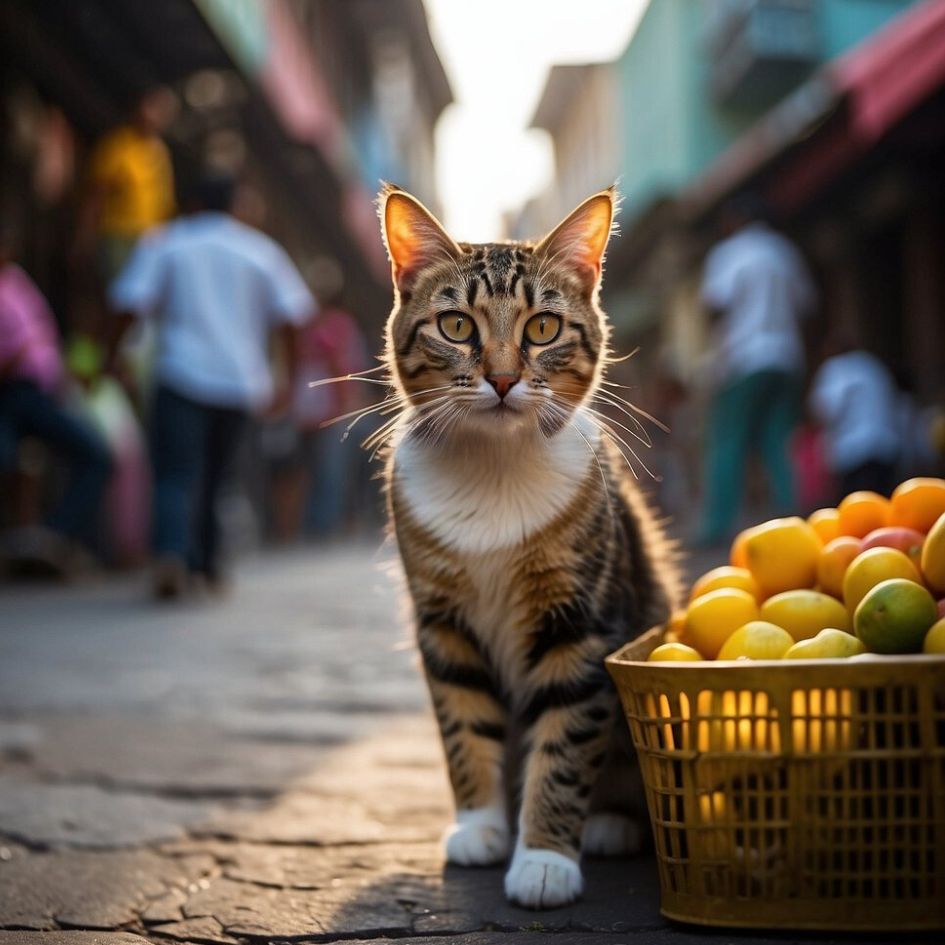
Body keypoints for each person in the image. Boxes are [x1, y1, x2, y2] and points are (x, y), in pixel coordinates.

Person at [107, 175, 314, 598]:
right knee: (219, 476)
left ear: (193, 202)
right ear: (234, 205)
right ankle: (207, 565)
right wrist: (287, 382)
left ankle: (171, 554)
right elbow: (293, 318)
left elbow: (130, 303)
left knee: (176, 474)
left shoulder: (167, 242)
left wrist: (113, 357)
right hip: (239, 384)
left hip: (181, 374)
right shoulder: (260, 251)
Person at [697, 194, 817, 544]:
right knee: (779, 441)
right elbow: (807, 308)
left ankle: (718, 525)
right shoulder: (784, 252)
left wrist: (715, 349)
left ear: (735, 219)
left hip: (744, 359)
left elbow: (715, 307)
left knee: (727, 442)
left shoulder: (729, 253)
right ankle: (796, 515)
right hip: (785, 357)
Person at [0, 229, 112, 571]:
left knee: (96, 456)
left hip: (40, 393)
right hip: (9, 393)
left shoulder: (15, 280)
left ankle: (47, 539)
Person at [78, 87, 178, 284]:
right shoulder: (118, 146)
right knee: (120, 295)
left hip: (151, 240)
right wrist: (85, 236)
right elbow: (96, 195)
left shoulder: (160, 153)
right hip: (119, 235)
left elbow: (164, 200)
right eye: (152, 107)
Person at [809, 336, 901, 497]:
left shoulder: (835, 368)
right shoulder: (873, 366)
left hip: (854, 453)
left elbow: (827, 410)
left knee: (858, 513)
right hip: (886, 448)